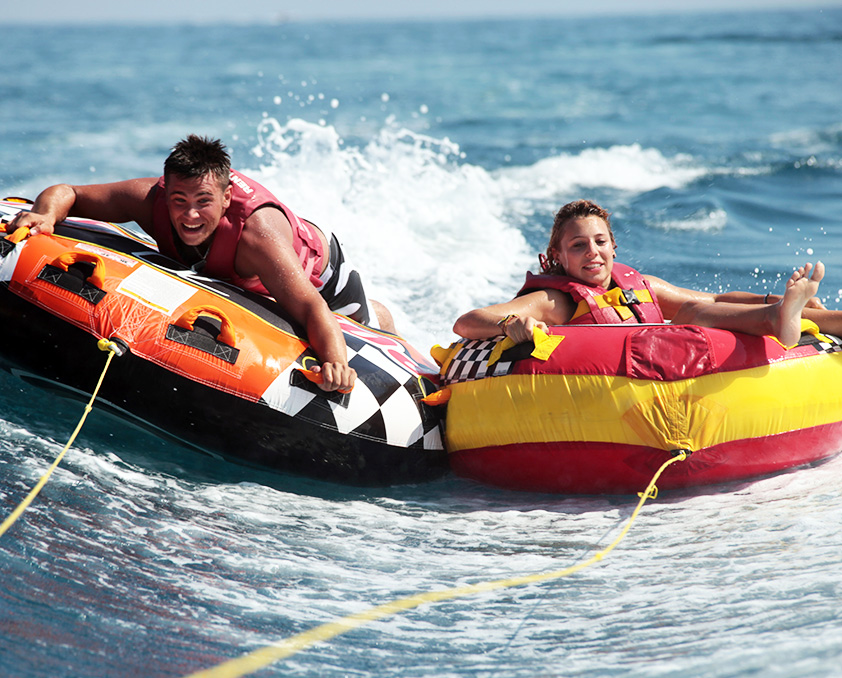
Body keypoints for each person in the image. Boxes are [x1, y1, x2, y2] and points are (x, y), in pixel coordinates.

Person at [6, 135, 395, 393]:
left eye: (203, 201)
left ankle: (382, 316)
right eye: (179, 200)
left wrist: (336, 364)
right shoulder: (150, 199)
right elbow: (67, 192)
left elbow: (313, 308)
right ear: (166, 190)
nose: (189, 215)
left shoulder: (256, 236)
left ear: (227, 198)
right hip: (235, 278)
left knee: (365, 326)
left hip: (319, 274)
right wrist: (44, 215)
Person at [454, 199, 840, 347]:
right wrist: (510, 325)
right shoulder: (554, 299)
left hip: (662, 360)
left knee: (692, 307)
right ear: (557, 256)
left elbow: (718, 300)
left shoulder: (641, 286)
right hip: (605, 382)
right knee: (689, 314)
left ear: (614, 246)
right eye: (578, 246)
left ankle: (805, 315)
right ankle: (779, 317)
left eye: (601, 242)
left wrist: (776, 298)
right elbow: (467, 322)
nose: (593, 253)